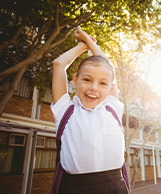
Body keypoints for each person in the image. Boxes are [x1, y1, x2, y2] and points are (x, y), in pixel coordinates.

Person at [51, 26, 129, 194]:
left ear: (110, 88)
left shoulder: (112, 108)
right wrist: (83, 46)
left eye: (102, 83)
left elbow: (109, 69)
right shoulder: (65, 111)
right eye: (87, 80)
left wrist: (88, 39)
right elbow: (58, 64)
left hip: (115, 187)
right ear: (75, 80)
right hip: (75, 188)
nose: (94, 88)